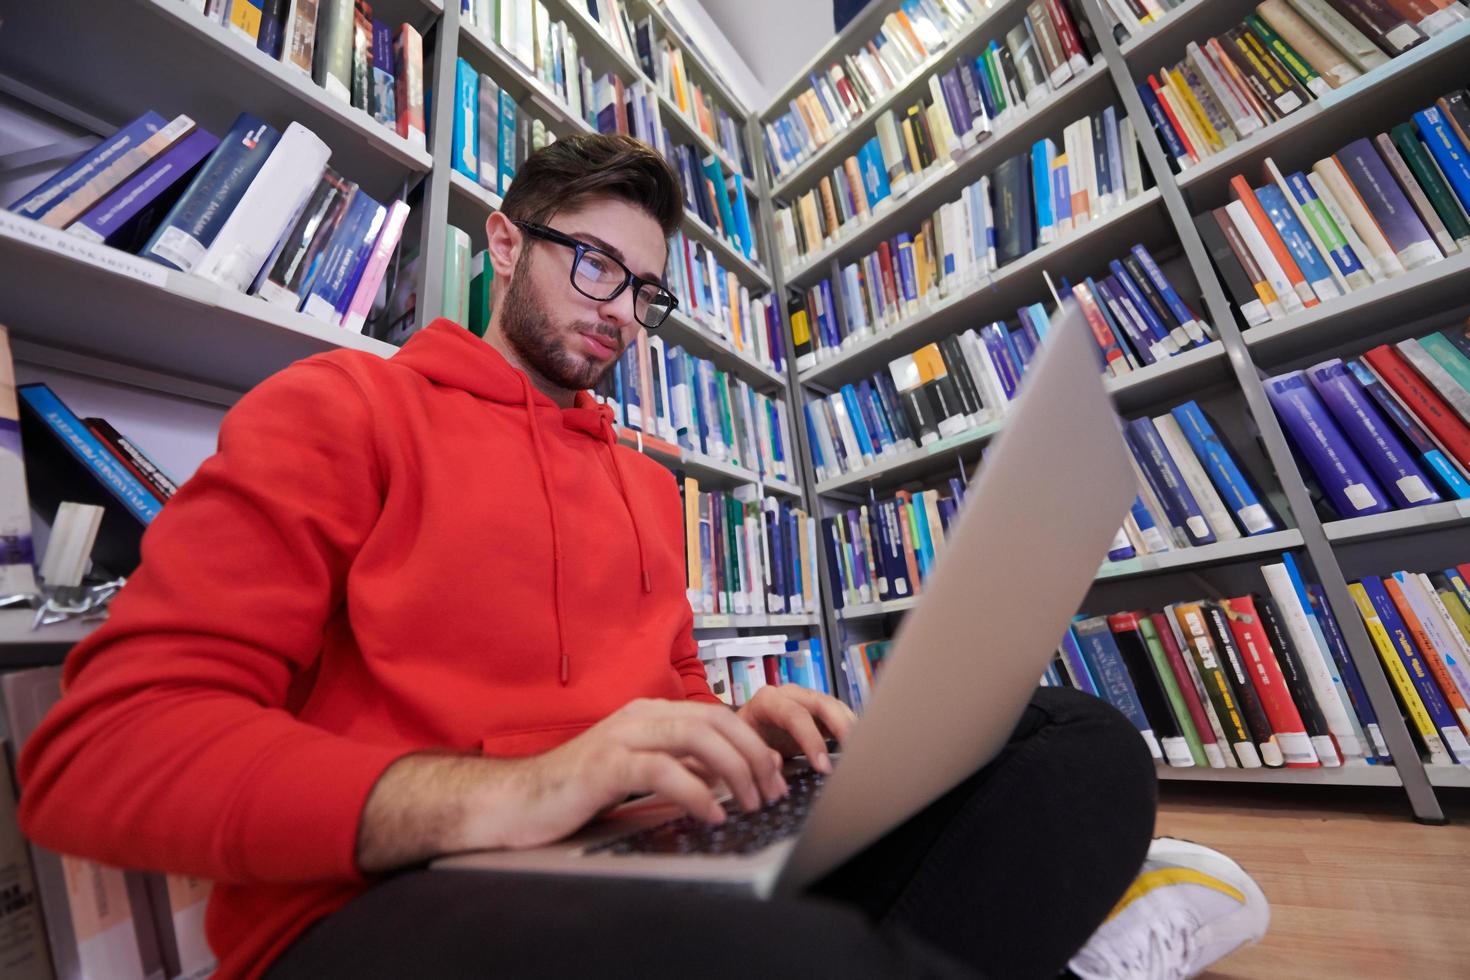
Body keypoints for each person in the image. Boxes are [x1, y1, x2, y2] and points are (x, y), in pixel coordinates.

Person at [17, 133, 1265, 980]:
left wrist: (745, 728)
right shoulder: (342, 407)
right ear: (505, 245)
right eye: (594, 262)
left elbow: (658, 704)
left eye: (645, 291)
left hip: (643, 850)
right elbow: (100, 750)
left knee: (1076, 739)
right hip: (383, 903)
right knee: (797, 956)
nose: (619, 309)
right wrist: (502, 789)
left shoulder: (645, 483)